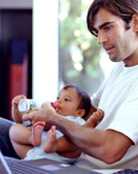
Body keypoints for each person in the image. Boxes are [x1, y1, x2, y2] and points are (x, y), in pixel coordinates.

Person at [23, 0, 138, 168]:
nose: (100, 39)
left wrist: (54, 118)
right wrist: (46, 114)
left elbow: (110, 150)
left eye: (107, 28)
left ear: (135, 22)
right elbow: (88, 112)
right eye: (97, 31)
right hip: (76, 159)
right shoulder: (121, 67)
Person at [9, 84, 103, 162]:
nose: (59, 101)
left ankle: (55, 145)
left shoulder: (77, 121)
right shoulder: (51, 114)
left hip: (57, 158)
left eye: (66, 99)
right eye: (58, 98)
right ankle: (32, 138)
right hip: (35, 154)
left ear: (79, 112)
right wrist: (16, 108)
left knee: (74, 139)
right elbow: (22, 120)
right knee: (14, 129)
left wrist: (92, 121)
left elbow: (84, 134)